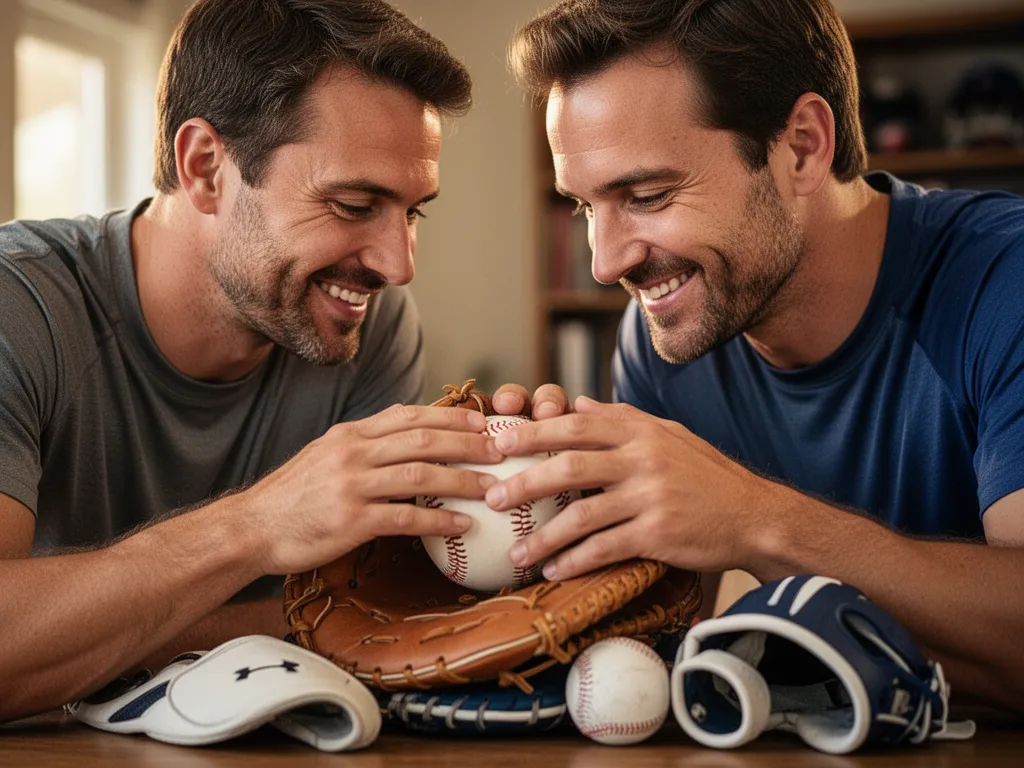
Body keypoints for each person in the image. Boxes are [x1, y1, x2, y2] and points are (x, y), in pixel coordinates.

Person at [486, 0, 1024, 712]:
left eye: (645, 195)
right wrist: (525, 532)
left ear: (802, 145)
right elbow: (661, 652)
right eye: (584, 207)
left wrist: (752, 518)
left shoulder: (1003, 282)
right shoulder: (662, 342)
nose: (604, 262)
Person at [0, 0, 513, 723]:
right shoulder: (18, 305)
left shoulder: (370, 325)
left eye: (413, 211)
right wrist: (256, 525)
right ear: (206, 166)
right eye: (355, 203)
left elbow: (367, 621)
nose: (399, 266)